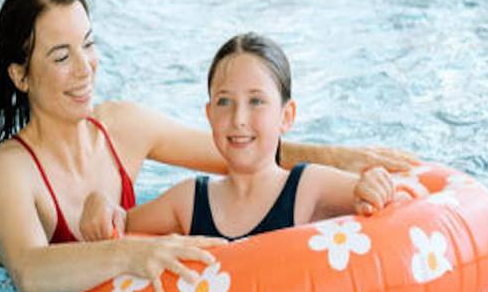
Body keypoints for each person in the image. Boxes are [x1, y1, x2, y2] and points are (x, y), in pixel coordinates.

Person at [0, 0, 417, 292]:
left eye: (88, 45)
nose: (86, 68)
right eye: (61, 56)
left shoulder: (121, 126)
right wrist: (130, 254)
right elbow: (29, 272)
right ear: (20, 75)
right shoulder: (12, 169)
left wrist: (337, 159)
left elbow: (235, 148)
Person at [100, 33, 398, 241]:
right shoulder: (189, 201)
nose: (238, 119)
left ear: (286, 116)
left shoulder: (310, 188)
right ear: (209, 114)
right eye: (224, 102)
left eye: (256, 101)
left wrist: (375, 187)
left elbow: (395, 201)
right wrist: (100, 207)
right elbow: (117, 228)